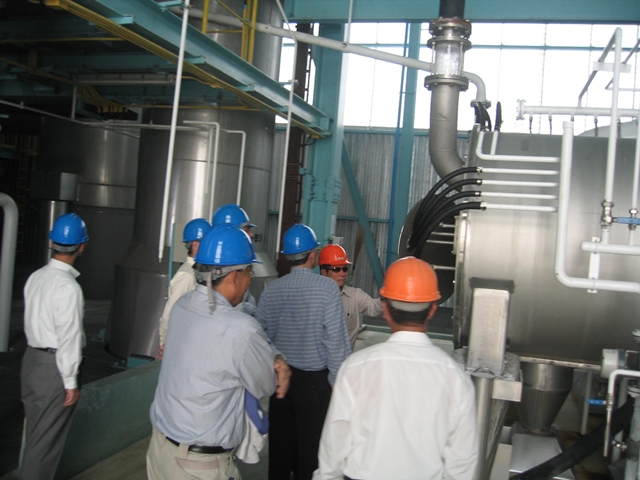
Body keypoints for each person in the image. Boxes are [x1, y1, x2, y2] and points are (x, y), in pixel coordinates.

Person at [313, 256, 479, 480]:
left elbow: (334, 449)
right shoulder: (456, 378)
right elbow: (463, 461)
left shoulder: (355, 369)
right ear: (432, 309)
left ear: (386, 309)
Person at [147, 224, 291, 480]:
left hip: (160, 451)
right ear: (234, 275)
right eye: (249, 271)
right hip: (198, 466)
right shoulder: (241, 329)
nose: (249, 280)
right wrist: (278, 361)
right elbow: (266, 384)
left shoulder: (183, 305)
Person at [256, 223, 351, 480]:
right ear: (313, 255)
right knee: (310, 453)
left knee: (280, 449)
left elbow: (258, 336)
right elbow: (335, 342)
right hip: (314, 386)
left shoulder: (272, 290)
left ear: (288, 257)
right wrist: (338, 383)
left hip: (280, 383)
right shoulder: (327, 289)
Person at [20, 212, 89, 480]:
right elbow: (68, 337)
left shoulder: (36, 277)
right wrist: (70, 382)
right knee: (44, 446)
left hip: (31, 361)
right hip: (54, 370)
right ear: (82, 246)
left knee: (35, 434)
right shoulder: (69, 288)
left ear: (52, 242)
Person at [157, 217, 211, 358]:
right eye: (207, 242)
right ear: (195, 245)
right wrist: (165, 343)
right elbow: (169, 313)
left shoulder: (198, 272)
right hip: (179, 346)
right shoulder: (187, 275)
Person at [319, 244, 382, 350]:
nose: (342, 273)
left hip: (345, 358)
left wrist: (385, 296)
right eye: (336, 269)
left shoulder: (355, 295)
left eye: (345, 269)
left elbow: (374, 308)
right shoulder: (314, 299)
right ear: (324, 272)